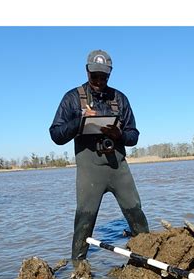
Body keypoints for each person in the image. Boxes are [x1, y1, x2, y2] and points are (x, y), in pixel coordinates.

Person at [49, 49, 150, 261]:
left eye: (103, 76)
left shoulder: (120, 99)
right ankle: (78, 265)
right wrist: (80, 120)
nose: (98, 80)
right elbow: (56, 134)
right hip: (89, 169)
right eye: (94, 75)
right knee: (84, 220)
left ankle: (147, 257)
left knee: (136, 213)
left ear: (109, 74)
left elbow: (134, 136)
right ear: (87, 72)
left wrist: (119, 134)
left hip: (118, 167)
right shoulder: (72, 98)